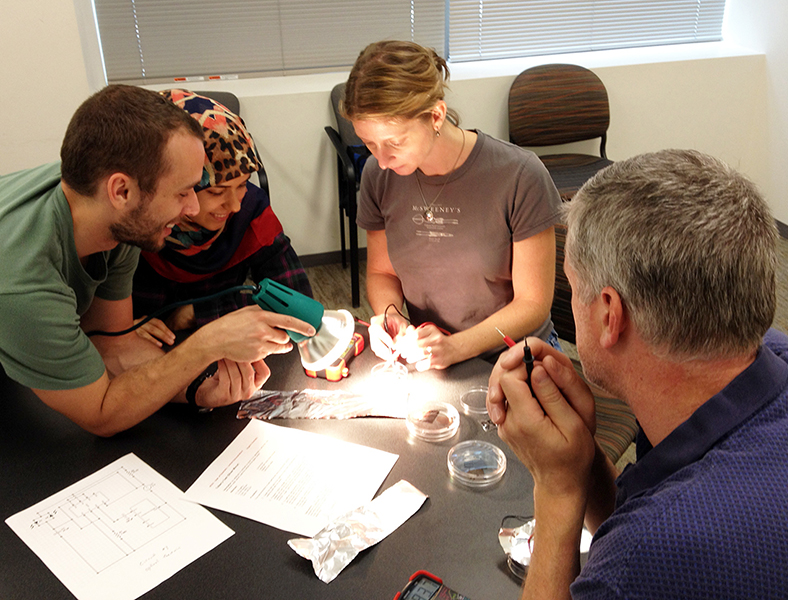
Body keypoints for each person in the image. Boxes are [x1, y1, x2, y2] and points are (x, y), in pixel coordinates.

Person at [487, 149, 788, 599]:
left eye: (573, 289)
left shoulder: (644, 557)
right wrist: (585, 460)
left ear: (610, 314)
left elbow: (655, 539)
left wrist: (556, 492)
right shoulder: (775, 351)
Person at [0, 85, 316, 437]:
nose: (193, 209)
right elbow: (100, 413)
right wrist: (206, 344)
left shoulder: (114, 218)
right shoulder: (22, 284)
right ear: (121, 191)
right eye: (183, 193)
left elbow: (112, 343)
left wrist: (197, 385)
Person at [340, 40, 562, 371]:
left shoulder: (519, 175)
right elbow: (381, 271)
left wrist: (457, 347)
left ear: (436, 115)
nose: (382, 160)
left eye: (395, 143)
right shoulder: (378, 175)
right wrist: (390, 315)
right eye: (369, 144)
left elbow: (533, 304)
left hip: (515, 354)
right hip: (433, 358)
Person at [131, 89, 312, 347]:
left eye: (242, 184)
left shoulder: (251, 211)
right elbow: (120, 327)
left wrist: (197, 314)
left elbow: (298, 305)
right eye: (217, 191)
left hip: (228, 350)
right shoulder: (136, 227)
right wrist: (128, 329)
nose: (235, 206)